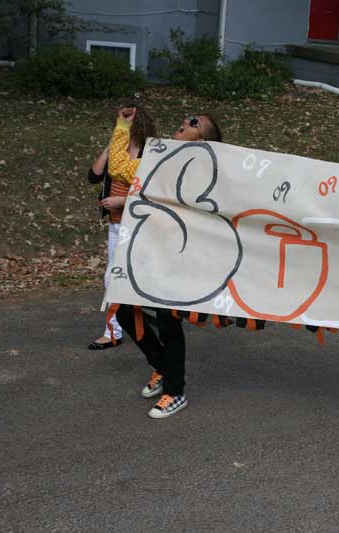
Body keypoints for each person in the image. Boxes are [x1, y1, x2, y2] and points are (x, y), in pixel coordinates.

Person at [108, 108, 223, 419]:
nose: (184, 123)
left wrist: (126, 203)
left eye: (193, 123)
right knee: (123, 307)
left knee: (168, 319)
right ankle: (162, 367)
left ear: (204, 138)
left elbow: (184, 206)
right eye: (186, 119)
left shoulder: (205, 167)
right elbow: (118, 167)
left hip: (178, 252)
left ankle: (175, 391)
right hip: (148, 248)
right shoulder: (161, 156)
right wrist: (122, 126)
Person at [87, 105, 157, 350]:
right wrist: (111, 144)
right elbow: (94, 175)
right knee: (115, 277)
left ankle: (124, 327)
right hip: (117, 224)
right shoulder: (117, 150)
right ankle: (118, 329)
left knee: (128, 277)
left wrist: (122, 201)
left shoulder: (152, 154)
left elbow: (154, 194)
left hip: (140, 225)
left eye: (127, 124)